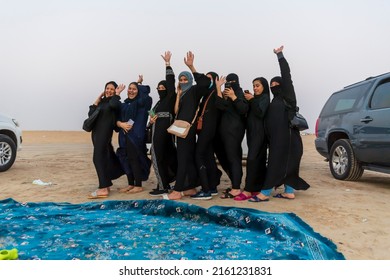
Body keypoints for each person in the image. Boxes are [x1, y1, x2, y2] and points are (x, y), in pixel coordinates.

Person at [250, 45, 310, 202]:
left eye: (277, 84)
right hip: (281, 140)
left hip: (288, 139)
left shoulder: (288, 97)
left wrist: (280, 56)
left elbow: (286, 75)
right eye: (271, 85)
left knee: (275, 165)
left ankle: (264, 193)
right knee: (288, 165)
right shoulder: (274, 101)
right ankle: (289, 192)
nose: (274, 86)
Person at [164, 51, 212, 200]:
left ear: (190, 79)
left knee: (183, 159)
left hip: (188, 130)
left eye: (186, 79)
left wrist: (192, 67)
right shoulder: (183, 93)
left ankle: (178, 190)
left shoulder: (194, 91)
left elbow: (205, 83)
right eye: (181, 79)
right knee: (188, 159)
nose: (183, 81)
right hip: (180, 130)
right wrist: (178, 95)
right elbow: (176, 111)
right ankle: (191, 187)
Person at [87, 81, 125, 199]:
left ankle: (103, 188)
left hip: (104, 134)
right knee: (104, 158)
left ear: (115, 91)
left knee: (97, 158)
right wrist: (98, 98)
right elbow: (91, 114)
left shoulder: (115, 103)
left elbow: (114, 105)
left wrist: (117, 94)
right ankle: (106, 185)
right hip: (97, 135)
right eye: (107, 88)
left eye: (112, 89)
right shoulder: (102, 103)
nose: (109, 91)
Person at [234, 77, 270, 201]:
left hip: (260, 133)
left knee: (252, 160)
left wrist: (253, 99)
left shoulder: (265, 98)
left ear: (264, 87)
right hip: (252, 133)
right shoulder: (255, 98)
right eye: (254, 86)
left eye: (257, 86)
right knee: (258, 160)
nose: (255, 88)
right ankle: (257, 188)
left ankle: (248, 190)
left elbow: (260, 112)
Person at [116, 76, 152, 194]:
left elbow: (135, 118)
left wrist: (139, 84)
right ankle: (131, 184)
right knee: (126, 159)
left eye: (134, 89)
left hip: (136, 136)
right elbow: (118, 117)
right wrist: (121, 124)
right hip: (124, 135)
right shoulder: (125, 104)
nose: (131, 91)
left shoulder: (142, 103)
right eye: (129, 89)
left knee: (134, 159)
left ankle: (138, 185)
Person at [148, 51, 178, 196]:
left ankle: (163, 186)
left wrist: (167, 64)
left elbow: (171, 82)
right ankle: (163, 184)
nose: (161, 90)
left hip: (164, 133)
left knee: (158, 156)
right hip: (156, 131)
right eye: (158, 89)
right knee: (160, 157)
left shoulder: (170, 98)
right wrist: (151, 120)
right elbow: (151, 115)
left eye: (163, 88)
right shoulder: (158, 103)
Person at [216, 73, 249, 199]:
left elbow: (243, 109)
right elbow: (220, 106)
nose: (231, 83)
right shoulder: (226, 94)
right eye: (228, 81)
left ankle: (236, 188)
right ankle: (234, 184)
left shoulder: (240, 93)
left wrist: (234, 97)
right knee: (228, 158)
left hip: (234, 132)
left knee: (234, 158)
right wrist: (219, 88)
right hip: (224, 131)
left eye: (233, 81)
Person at [190, 71, 221, 200]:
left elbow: (221, 106)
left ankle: (205, 190)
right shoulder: (206, 94)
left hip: (208, 130)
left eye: (210, 78)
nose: (207, 81)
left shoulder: (215, 93)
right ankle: (212, 187)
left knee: (198, 155)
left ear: (215, 80)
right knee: (208, 157)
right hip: (206, 131)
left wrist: (219, 89)